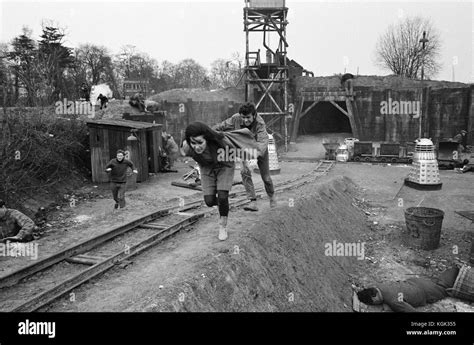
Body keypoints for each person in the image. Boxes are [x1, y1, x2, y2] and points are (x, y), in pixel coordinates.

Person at [181, 121, 257, 241]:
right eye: (193, 143)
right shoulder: (187, 148)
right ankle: (224, 204)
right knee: (209, 201)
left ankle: (223, 225)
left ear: (207, 139)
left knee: (222, 196)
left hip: (224, 166)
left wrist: (244, 163)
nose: (196, 147)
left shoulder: (221, 141)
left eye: (200, 142)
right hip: (207, 168)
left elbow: (238, 149)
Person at [213, 102, 276, 212]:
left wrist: (254, 156)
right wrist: (207, 131)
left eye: (248, 117)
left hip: (259, 149)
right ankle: (252, 201)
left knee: (266, 178)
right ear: (240, 115)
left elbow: (262, 143)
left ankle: (272, 197)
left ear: (254, 115)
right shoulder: (235, 119)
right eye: (243, 117)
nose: (246, 120)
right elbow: (220, 126)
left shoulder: (260, 123)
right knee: (244, 171)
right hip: (244, 147)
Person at [357, 267, 459, 312]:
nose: (375, 304)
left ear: (374, 296)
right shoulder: (379, 285)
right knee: (438, 280)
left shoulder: (394, 301)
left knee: (445, 288)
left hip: (427, 291)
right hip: (418, 281)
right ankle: (454, 269)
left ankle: (457, 269)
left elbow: (410, 311)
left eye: (373, 302)